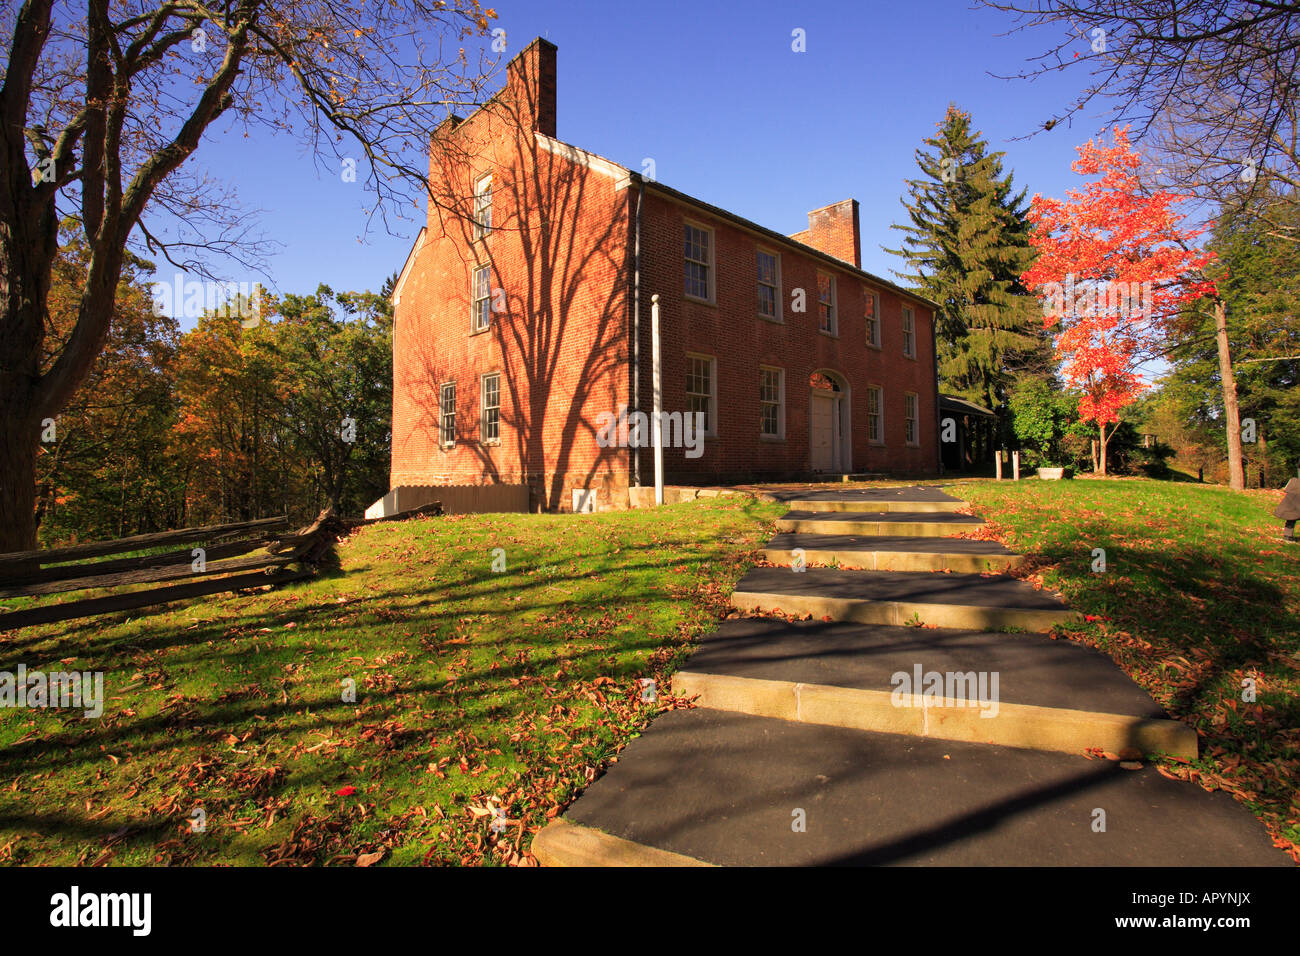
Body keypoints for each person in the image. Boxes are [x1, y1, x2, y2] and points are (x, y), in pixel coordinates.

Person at [1276, 477, 1300, 543]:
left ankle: (1288, 536)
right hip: (1296, 491)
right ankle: (1287, 536)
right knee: (1291, 514)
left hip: (1296, 490)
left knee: (1292, 514)